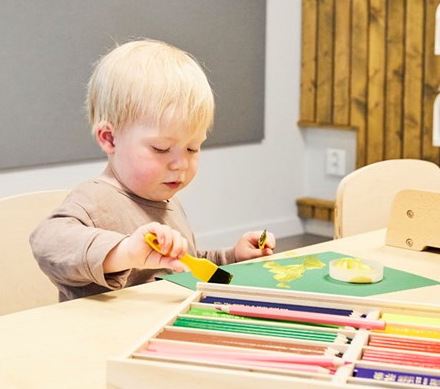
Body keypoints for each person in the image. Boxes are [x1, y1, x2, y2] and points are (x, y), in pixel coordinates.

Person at [29, 38, 273, 301]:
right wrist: (125, 251)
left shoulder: (166, 201)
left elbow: (185, 266)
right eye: (161, 148)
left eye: (192, 148)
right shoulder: (95, 200)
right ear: (110, 138)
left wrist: (233, 257)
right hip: (108, 327)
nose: (181, 163)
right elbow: (45, 242)